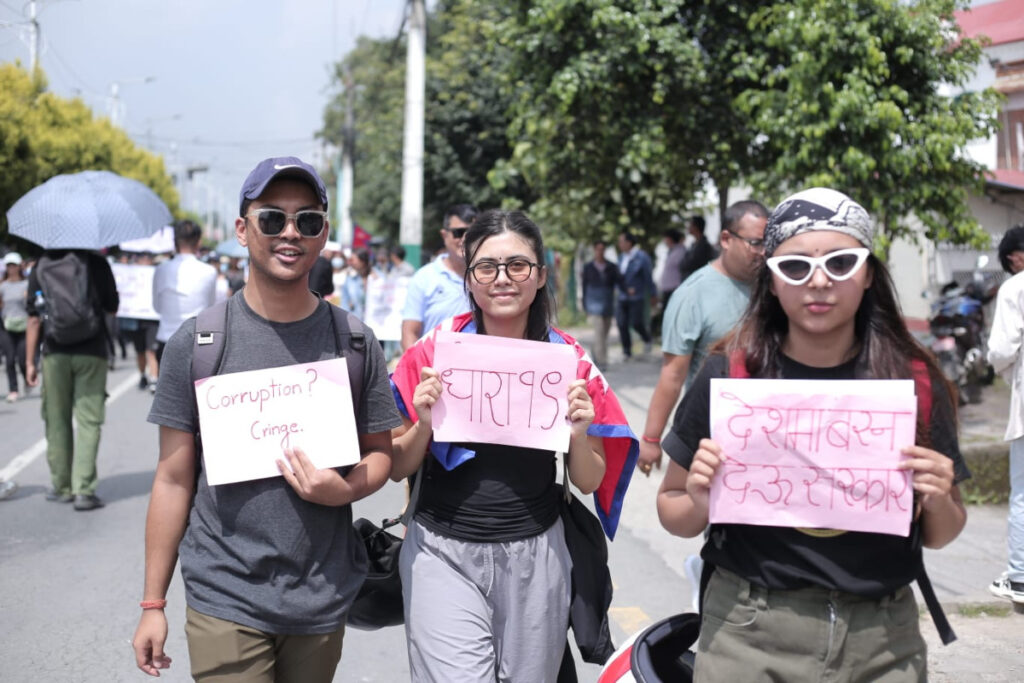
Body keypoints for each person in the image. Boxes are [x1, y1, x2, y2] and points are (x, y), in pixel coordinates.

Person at [657, 188, 969, 682]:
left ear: (868, 273)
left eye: (841, 263)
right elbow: (672, 509)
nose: (819, 281)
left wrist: (937, 498)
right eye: (796, 267)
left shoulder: (913, 381)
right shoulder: (731, 374)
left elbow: (943, 532)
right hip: (746, 635)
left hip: (884, 641)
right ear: (772, 280)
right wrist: (699, 499)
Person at [131, 156, 401, 682]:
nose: (290, 233)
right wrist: (152, 603)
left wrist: (344, 490)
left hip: (322, 596)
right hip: (224, 593)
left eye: (308, 220)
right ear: (242, 230)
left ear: (323, 235)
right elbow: (173, 479)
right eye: (273, 218)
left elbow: (379, 454)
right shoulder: (198, 343)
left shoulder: (354, 341)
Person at [389, 209, 638, 682]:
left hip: (537, 559)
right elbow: (397, 466)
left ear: (540, 276)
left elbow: (588, 481)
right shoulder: (432, 353)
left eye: (518, 265)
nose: (502, 278)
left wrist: (579, 431)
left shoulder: (571, 361)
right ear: (469, 278)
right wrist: (423, 424)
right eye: (487, 267)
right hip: (441, 555)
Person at [637, 201, 769, 475]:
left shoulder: (776, 287)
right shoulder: (692, 295)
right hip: (713, 435)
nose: (763, 252)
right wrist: (651, 439)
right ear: (726, 239)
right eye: (755, 243)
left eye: (768, 243)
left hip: (768, 430)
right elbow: (673, 374)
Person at [25, 249, 119, 511]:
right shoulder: (97, 263)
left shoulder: (41, 264)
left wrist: (30, 361)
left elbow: (33, 318)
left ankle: (62, 487)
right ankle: (84, 490)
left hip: (54, 352)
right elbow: (112, 307)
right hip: (93, 352)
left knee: (56, 419)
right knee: (89, 421)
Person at [986, 224, 1024, 605]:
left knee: (1023, 494)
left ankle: (1021, 578)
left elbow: (1000, 349)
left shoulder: (1015, 287)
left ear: (1015, 257)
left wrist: (1010, 374)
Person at [400, 203, 479, 351]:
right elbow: (409, 332)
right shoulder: (423, 278)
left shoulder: (490, 277)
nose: (465, 239)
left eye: (472, 233)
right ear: (444, 235)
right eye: (459, 232)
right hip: (433, 364)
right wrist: (416, 364)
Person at [152, 220, 218, 388]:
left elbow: (156, 307)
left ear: (174, 242)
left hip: (166, 340)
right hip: (198, 343)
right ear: (198, 242)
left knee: (168, 396)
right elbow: (211, 306)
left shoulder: (161, 270)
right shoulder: (209, 271)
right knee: (198, 397)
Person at [616, 231, 656, 359]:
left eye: (621, 241)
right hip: (622, 296)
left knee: (636, 322)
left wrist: (653, 293)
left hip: (636, 296)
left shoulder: (642, 257)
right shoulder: (621, 257)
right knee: (621, 323)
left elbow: (648, 277)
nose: (619, 244)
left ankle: (647, 338)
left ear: (629, 243)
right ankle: (627, 351)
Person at [581, 239, 620, 368]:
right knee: (599, 332)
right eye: (598, 249)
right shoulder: (588, 267)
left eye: (602, 249)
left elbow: (620, 282)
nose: (600, 252)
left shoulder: (611, 267)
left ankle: (595, 351)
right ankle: (602, 361)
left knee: (604, 333)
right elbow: (584, 286)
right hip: (593, 303)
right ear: (594, 250)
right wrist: (585, 304)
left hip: (607, 303)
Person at [1, 252, 29, 402]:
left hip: (24, 326)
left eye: (13, 265)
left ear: (19, 267)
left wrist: (27, 298)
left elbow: (33, 305)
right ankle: (13, 389)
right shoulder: (2, 286)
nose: (11, 268)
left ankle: (27, 379)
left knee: (23, 359)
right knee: (10, 359)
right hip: (7, 326)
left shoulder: (26, 284)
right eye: (9, 266)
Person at [678, 215, 715, 283]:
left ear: (696, 227)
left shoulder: (704, 246)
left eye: (690, 225)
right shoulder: (693, 245)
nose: (688, 227)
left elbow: (691, 265)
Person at [339, 247, 373, 320]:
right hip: (356, 322)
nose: (349, 263)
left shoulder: (376, 278)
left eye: (352, 260)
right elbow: (344, 303)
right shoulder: (350, 280)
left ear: (362, 261)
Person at [658, 228, 687, 305]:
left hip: (674, 289)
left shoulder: (680, 251)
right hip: (668, 289)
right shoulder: (672, 251)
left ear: (670, 239)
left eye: (665, 238)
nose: (664, 241)